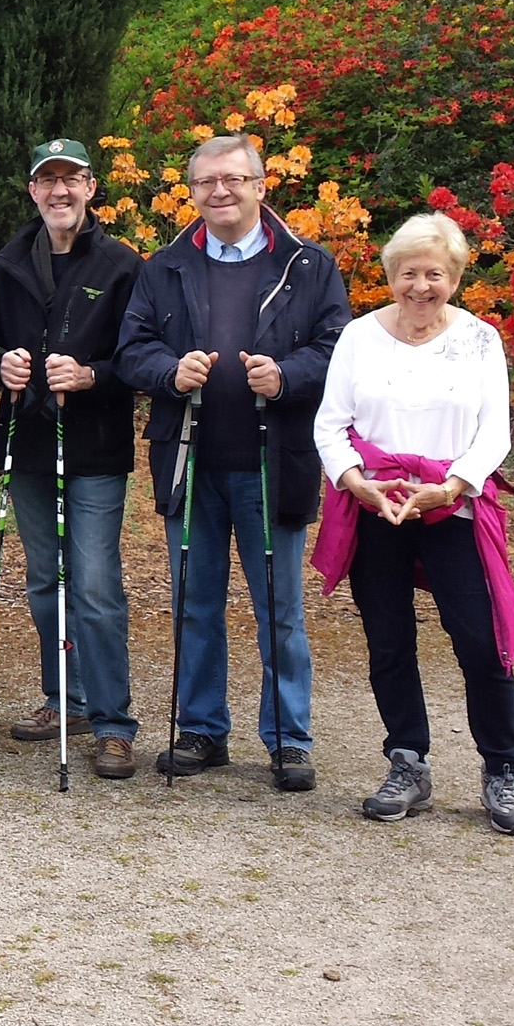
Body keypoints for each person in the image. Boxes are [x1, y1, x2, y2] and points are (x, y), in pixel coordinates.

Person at [118, 133, 350, 791]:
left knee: (279, 608)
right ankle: (202, 730)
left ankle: (287, 739)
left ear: (260, 184)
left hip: (273, 461)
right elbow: (132, 349)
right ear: (191, 192)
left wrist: (289, 375)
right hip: (189, 462)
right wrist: (169, 370)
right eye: (206, 183)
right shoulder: (163, 265)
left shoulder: (309, 264)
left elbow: (339, 348)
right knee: (195, 604)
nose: (220, 192)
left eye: (234, 180)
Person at [312, 213, 514, 834]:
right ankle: (407, 761)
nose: (420, 286)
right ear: (391, 276)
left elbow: (495, 432)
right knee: (389, 642)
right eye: (408, 273)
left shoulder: (480, 340)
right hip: (377, 509)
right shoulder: (358, 336)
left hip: (452, 509)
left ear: (455, 278)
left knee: (481, 645)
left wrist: (453, 487)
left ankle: (502, 769)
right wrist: (356, 482)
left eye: (435, 273)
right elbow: (330, 424)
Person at [0, 139, 147, 779]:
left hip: (95, 446)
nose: (59, 191)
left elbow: (138, 358)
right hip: (27, 444)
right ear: (33, 191)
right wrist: (2, 364)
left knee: (97, 585)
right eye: (47, 181)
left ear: (90, 187)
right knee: (44, 579)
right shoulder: (9, 264)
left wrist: (91, 376)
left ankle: (113, 721)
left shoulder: (122, 265)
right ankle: (66, 698)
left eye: (71, 180)